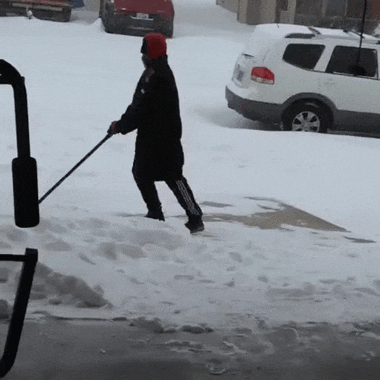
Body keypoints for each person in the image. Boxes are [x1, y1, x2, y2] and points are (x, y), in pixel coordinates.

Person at [108, 33, 204, 234]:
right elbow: (136, 105)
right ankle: (155, 213)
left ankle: (195, 216)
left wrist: (121, 126)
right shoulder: (152, 73)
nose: (142, 57)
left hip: (165, 140)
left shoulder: (158, 78)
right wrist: (121, 123)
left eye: (145, 52)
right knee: (141, 174)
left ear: (151, 54)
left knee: (174, 177)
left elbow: (140, 109)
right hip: (150, 139)